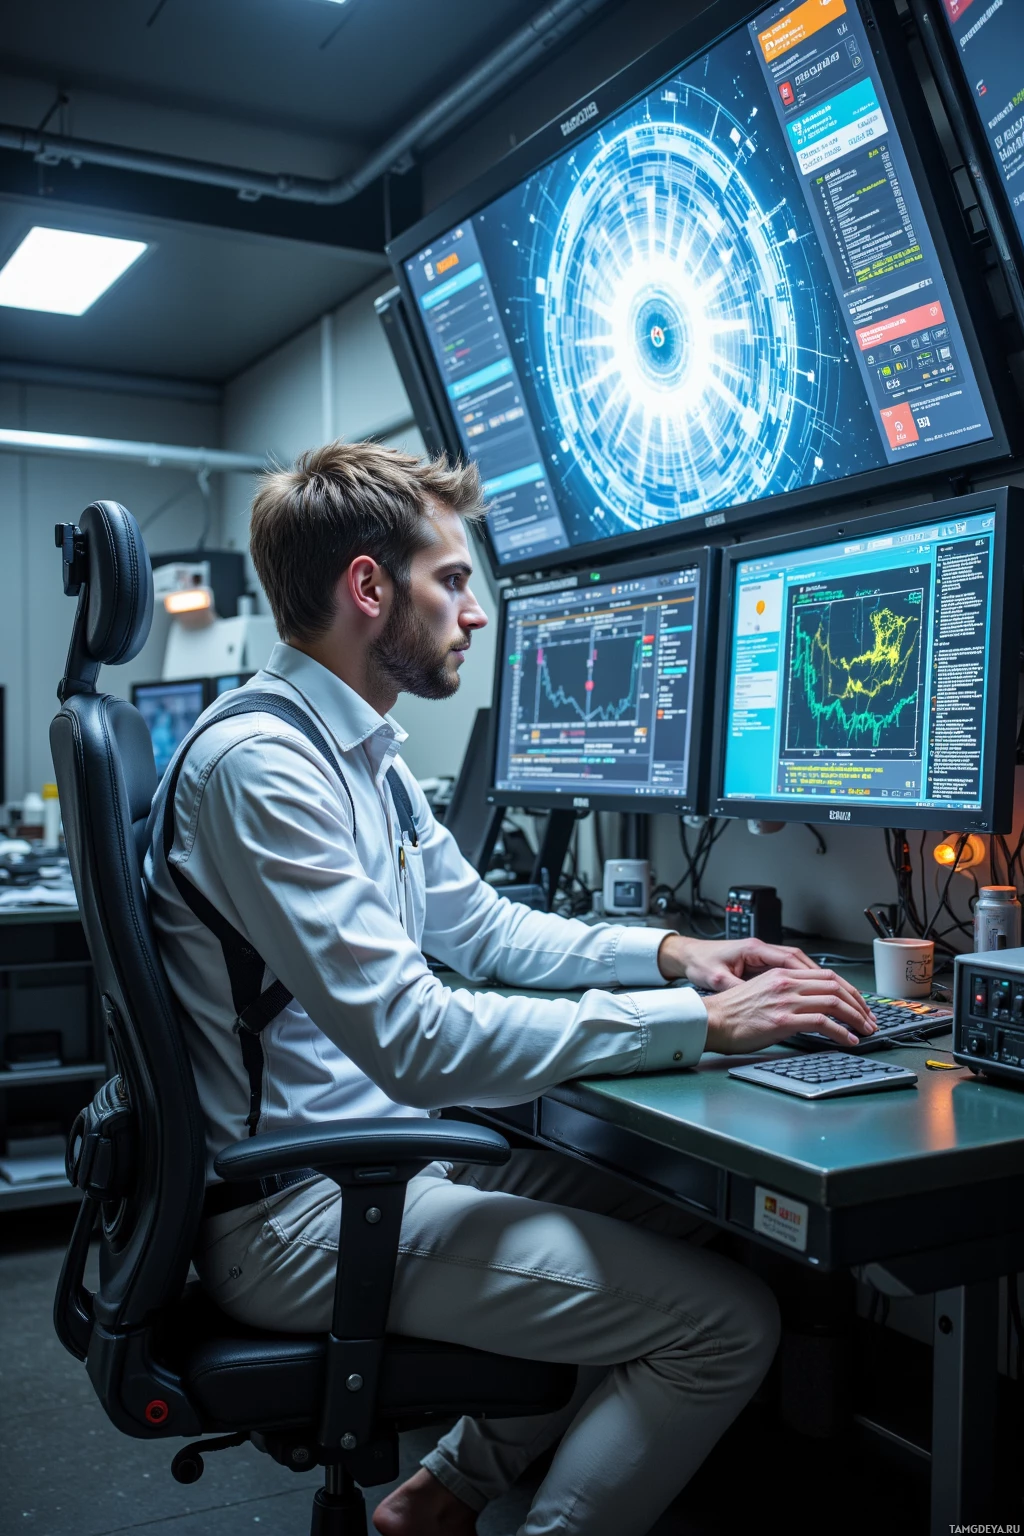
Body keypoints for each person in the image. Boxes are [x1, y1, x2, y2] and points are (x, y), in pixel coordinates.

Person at [144, 441, 876, 1536]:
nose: (475, 613)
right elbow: (416, 1042)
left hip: (372, 1168)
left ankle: (444, 1494)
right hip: (298, 1215)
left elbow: (478, 929)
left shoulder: (357, 757)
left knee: (707, 1224)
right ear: (367, 587)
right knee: (723, 1326)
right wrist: (702, 1026)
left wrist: (673, 960)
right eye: (453, 580)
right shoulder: (265, 768)